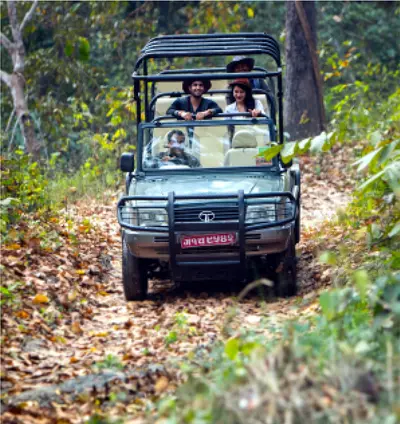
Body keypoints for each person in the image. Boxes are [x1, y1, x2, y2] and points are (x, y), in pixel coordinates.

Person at [226, 56, 275, 120]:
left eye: (243, 66)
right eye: (238, 67)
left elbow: (269, 97)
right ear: (234, 71)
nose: (241, 69)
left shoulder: (257, 81)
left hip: (257, 112)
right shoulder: (232, 87)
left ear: (248, 67)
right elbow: (230, 104)